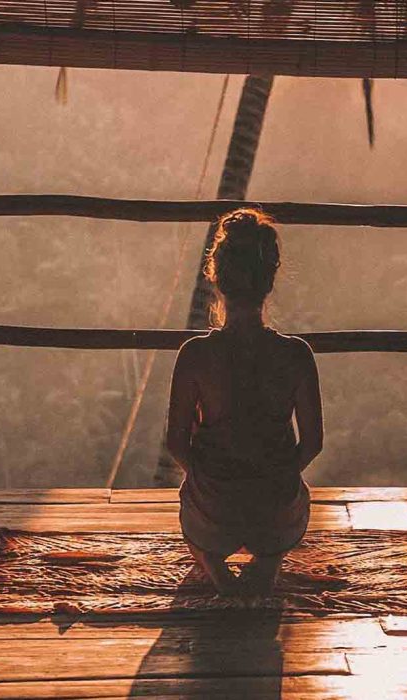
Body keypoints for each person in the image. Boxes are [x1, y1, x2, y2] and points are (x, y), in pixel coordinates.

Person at [165, 208, 324, 597]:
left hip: (215, 507)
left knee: (194, 505)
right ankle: (269, 558)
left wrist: (208, 480)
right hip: (274, 507)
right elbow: (313, 443)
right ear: (269, 280)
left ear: (216, 277)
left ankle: (214, 564)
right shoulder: (296, 355)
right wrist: (277, 475)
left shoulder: (195, 355)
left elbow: (176, 443)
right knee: (287, 500)